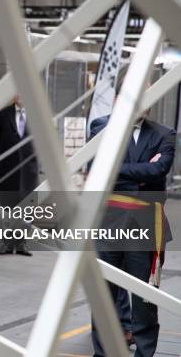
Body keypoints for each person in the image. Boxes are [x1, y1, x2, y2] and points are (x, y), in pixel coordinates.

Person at [90, 87, 175, 357]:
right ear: (119, 98)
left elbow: (159, 171)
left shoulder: (165, 134)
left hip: (145, 223)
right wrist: (140, 174)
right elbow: (98, 169)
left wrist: (117, 170)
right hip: (108, 222)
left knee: (144, 297)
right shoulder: (101, 127)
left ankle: (144, 352)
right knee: (103, 295)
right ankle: (103, 352)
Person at [0, 94, 38, 256]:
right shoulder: (3, 115)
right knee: (7, 207)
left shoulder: (37, 115)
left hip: (28, 171)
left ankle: (21, 244)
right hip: (8, 169)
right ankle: (6, 243)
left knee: (26, 209)